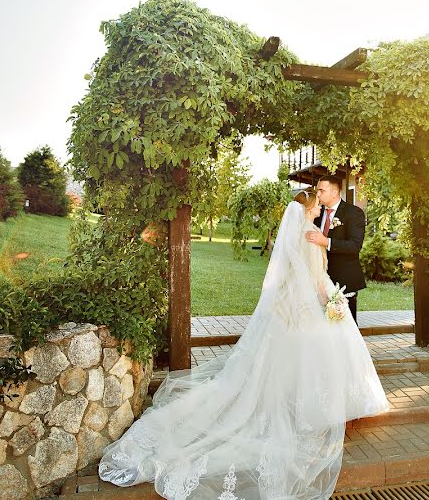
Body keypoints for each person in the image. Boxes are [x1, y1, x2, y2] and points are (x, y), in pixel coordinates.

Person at [97, 188, 389, 500]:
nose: (319, 206)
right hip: (310, 306)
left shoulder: (294, 235)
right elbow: (317, 279)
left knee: (283, 359)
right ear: (310, 209)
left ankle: (291, 403)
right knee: (319, 355)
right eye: (317, 203)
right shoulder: (311, 236)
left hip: (288, 310)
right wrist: (332, 305)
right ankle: (312, 410)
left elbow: (288, 276)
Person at [306, 175, 367, 324]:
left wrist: (326, 241)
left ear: (334, 192)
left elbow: (354, 246)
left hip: (344, 280)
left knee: (347, 326)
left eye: (321, 190)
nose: (318, 194)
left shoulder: (354, 213)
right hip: (319, 281)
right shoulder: (316, 214)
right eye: (317, 191)